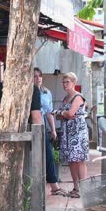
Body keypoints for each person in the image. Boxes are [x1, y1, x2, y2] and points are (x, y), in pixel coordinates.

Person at [54, 72, 88, 198]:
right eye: (63, 82)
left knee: (79, 160)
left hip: (78, 133)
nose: (65, 84)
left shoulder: (78, 97)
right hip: (67, 133)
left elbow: (71, 113)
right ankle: (76, 188)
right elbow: (61, 115)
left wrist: (62, 113)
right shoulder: (65, 99)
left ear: (74, 83)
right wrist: (63, 113)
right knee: (71, 161)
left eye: (67, 82)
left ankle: (84, 189)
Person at [34, 68, 66, 196]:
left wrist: (53, 130)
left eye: (40, 76)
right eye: (35, 76)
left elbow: (49, 113)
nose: (38, 78)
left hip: (42, 126)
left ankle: (54, 185)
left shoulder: (46, 92)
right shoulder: (26, 92)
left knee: (49, 154)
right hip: (28, 126)